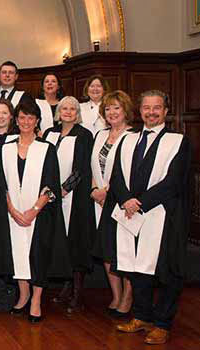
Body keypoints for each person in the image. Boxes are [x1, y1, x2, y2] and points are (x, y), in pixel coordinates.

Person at [111, 90, 190, 345]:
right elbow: (116, 177)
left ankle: (163, 323)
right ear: (140, 110)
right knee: (136, 268)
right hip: (130, 214)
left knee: (167, 272)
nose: (151, 112)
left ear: (166, 111)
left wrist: (141, 202)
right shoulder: (128, 140)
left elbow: (174, 181)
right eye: (146, 108)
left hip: (162, 216)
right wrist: (125, 200)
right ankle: (142, 316)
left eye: (157, 108)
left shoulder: (178, 141)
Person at [0, 100, 70, 323]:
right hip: (12, 213)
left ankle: (36, 299)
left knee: (38, 255)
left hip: (40, 214)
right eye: (22, 117)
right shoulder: (5, 148)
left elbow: (52, 185)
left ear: (37, 121)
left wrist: (33, 211)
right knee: (17, 254)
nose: (26, 122)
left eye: (31, 118)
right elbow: (1, 183)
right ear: (15, 121)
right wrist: (12, 209)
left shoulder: (46, 148)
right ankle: (23, 293)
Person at [42, 96, 95, 313]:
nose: (68, 111)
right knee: (58, 240)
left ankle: (77, 292)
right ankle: (65, 286)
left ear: (77, 112)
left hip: (73, 198)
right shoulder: (49, 133)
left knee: (74, 242)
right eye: (64, 108)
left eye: (72, 109)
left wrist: (63, 189)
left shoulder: (84, 135)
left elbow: (82, 168)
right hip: (51, 197)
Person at [90, 90, 134, 319]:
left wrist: (108, 192)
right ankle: (115, 294)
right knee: (107, 250)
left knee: (124, 251)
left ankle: (128, 295)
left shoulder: (134, 136)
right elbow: (93, 167)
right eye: (108, 109)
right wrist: (94, 189)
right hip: (99, 201)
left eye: (116, 107)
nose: (112, 112)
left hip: (121, 203)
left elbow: (129, 172)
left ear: (125, 110)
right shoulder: (99, 135)